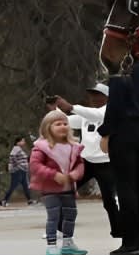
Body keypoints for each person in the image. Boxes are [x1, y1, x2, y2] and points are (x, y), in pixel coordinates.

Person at [100, 52, 139, 255]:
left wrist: (105, 132)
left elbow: (115, 104)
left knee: (126, 187)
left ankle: (131, 242)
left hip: (124, 129)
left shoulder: (122, 66)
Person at [50, 84, 118, 238]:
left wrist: (71, 107)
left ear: (107, 98)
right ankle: (59, 228)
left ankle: (118, 229)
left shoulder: (109, 111)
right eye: (92, 95)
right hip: (86, 162)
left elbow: (97, 115)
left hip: (106, 163)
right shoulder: (85, 116)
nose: (94, 98)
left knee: (109, 200)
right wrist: (56, 110)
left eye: (98, 95)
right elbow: (66, 120)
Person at [29, 109, 88, 255]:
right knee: (54, 216)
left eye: (65, 123)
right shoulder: (42, 147)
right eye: (58, 124)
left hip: (68, 188)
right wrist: (53, 175)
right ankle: (51, 245)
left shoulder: (73, 146)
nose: (63, 126)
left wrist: (75, 174)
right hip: (50, 189)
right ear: (47, 128)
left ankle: (67, 243)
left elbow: (80, 164)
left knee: (71, 214)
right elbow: (35, 166)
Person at [2, 135, 34, 205]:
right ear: (18, 142)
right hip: (18, 171)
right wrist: (18, 166)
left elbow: (24, 159)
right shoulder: (16, 148)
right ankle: (4, 200)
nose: (24, 142)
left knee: (25, 186)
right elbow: (12, 156)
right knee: (13, 186)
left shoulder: (20, 149)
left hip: (23, 170)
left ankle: (30, 200)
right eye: (22, 141)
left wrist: (30, 157)